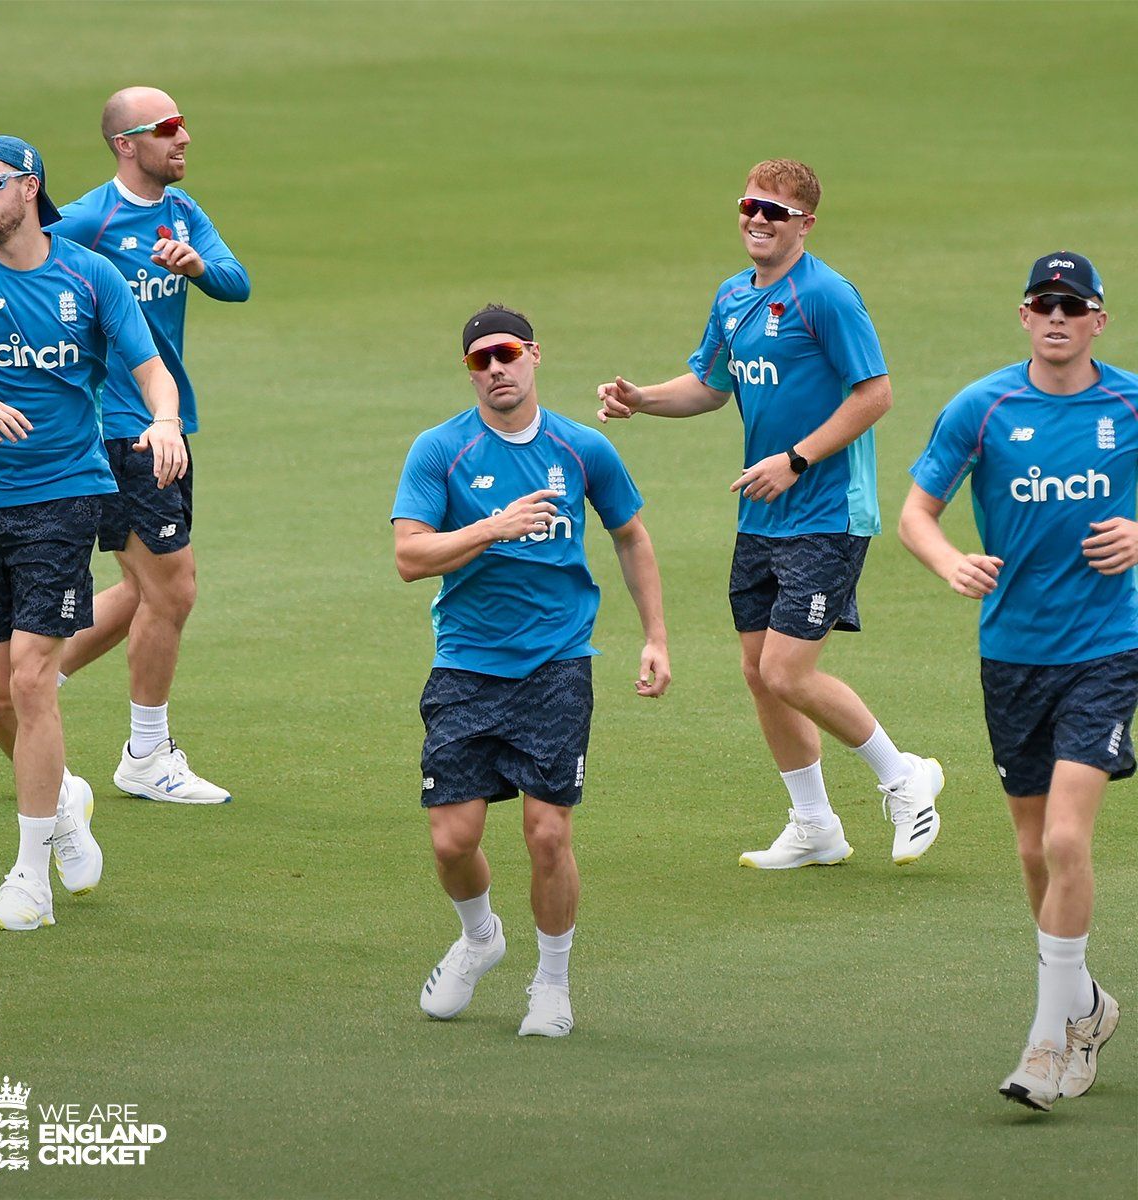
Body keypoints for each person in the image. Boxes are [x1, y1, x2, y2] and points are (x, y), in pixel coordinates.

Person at [598, 157, 942, 868]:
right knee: (760, 674)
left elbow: (875, 395)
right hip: (762, 516)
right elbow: (710, 384)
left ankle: (905, 777)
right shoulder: (732, 296)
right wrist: (642, 400)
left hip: (827, 511)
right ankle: (815, 826)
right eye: (749, 205)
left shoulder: (827, 296)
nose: (757, 219)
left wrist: (795, 460)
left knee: (787, 671)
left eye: (774, 211)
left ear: (804, 223)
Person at [392, 304, 671, 1037]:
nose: (496, 369)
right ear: (469, 373)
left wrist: (655, 637)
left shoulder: (582, 449)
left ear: (534, 355)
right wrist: (493, 527)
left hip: (557, 663)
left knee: (548, 835)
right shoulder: (439, 450)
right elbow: (408, 556)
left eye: (507, 354)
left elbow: (631, 535)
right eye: (480, 360)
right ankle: (480, 937)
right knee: (452, 841)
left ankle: (551, 984)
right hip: (466, 664)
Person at [900, 252, 1137, 1111]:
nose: (1058, 317)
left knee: (1068, 842)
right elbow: (916, 513)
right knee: (1034, 851)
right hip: (1012, 655)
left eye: (1074, 306)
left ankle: (1046, 1043)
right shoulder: (984, 407)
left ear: (1098, 320)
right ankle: (1086, 1009)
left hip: (1107, 649)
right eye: (1045, 304)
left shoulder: (1129, 404)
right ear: (1025, 315)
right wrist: (948, 561)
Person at [0, 87, 251, 805]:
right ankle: (146, 753)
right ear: (127, 144)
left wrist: (196, 267)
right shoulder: (88, 220)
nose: (184, 137)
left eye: (183, 124)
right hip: (117, 431)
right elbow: (27, 266)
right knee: (173, 589)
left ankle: (27, 685)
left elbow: (238, 284)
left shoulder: (182, 211)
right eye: (167, 127)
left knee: (142, 589)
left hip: (167, 422)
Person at [0, 135, 186, 930]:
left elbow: (150, 368)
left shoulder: (88, 274)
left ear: (29, 187)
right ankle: (64, 803)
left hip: (64, 497)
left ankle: (29, 881)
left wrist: (166, 420)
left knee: (31, 680)